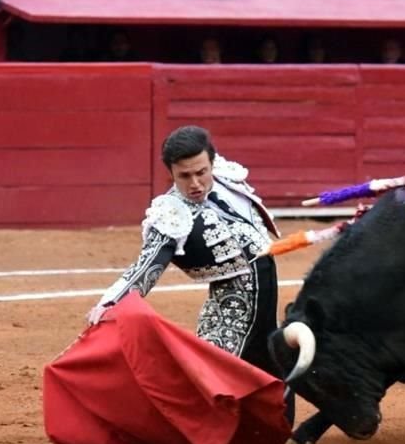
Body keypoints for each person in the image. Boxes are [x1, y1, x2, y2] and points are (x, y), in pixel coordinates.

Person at [86, 125, 284, 405]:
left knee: (275, 371)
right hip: (232, 310)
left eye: (201, 172)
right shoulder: (171, 213)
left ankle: (282, 438)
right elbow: (147, 266)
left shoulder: (227, 178)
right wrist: (110, 303)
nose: (195, 184)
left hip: (265, 298)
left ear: (212, 164)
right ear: (171, 173)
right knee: (213, 384)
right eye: (184, 176)